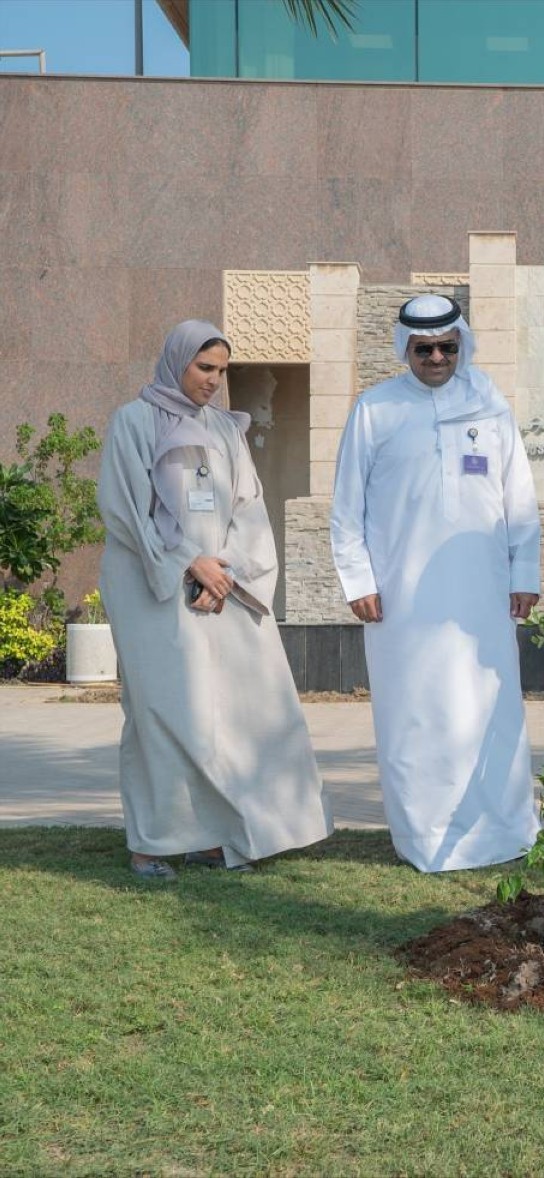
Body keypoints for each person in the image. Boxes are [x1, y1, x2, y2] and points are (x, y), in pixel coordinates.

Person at [98, 320, 332, 880]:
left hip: (219, 590)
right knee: (162, 713)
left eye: (222, 370)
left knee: (223, 714)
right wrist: (187, 563)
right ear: (176, 362)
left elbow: (248, 509)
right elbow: (126, 509)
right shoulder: (133, 423)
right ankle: (152, 843)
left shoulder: (225, 431)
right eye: (205, 367)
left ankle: (212, 837)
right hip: (151, 588)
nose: (214, 380)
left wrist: (224, 570)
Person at [330, 295, 541, 872]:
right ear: (406, 349)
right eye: (424, 349)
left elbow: (518, 498)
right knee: (415, 713)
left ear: (462, 345)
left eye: (448, 347)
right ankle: (425, 838)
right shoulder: (375, 409)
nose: (437, 358)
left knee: (489, 708)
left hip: (483, 591)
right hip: (402, 596)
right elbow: (346, 507)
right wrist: (358, 579)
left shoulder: (490, 406)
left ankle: (504, 832)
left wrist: (525, 572)